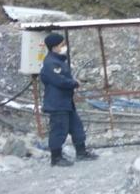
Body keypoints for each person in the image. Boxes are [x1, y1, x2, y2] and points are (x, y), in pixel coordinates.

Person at [40, 33, 97, 167]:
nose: (64, 47)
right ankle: (56, 158)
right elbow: (59, 81)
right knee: (59, 129)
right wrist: (74, 83)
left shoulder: (59, 61)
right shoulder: (51, 63)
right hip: (57, 103)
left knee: (77, 127)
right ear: (54, 47)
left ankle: (81, 152)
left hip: (66, 102)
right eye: (62, 45)